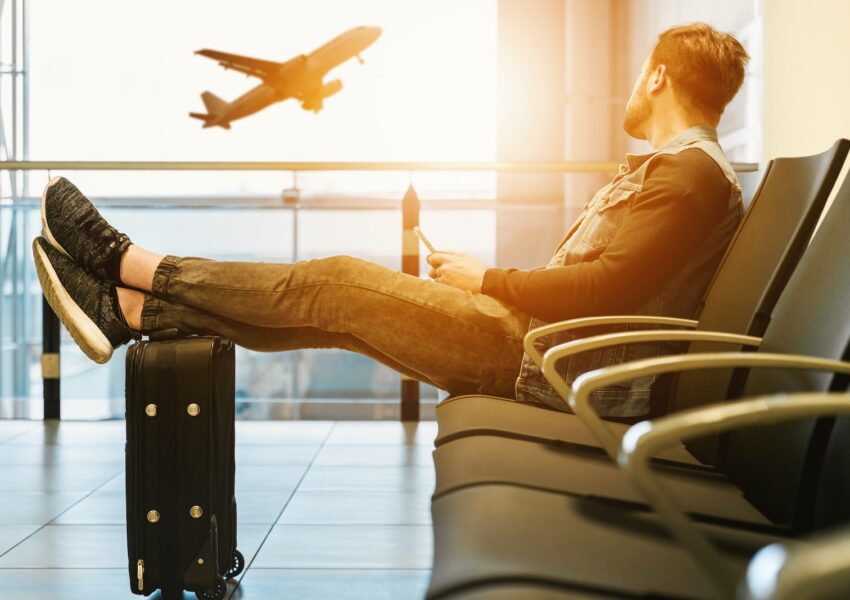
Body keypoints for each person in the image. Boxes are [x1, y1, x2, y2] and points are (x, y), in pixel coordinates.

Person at [33, 22, 749, 418]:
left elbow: (607, 290)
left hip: (543, 365)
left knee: (336, 283)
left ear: (656, 76)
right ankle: (130, 311)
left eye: (637, 76)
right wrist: (489, 284)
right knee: (338, 314)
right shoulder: (683, 174)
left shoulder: (688, 175)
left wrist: (490, 278)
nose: (631, 89)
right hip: (542, 353)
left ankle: (127, 263)